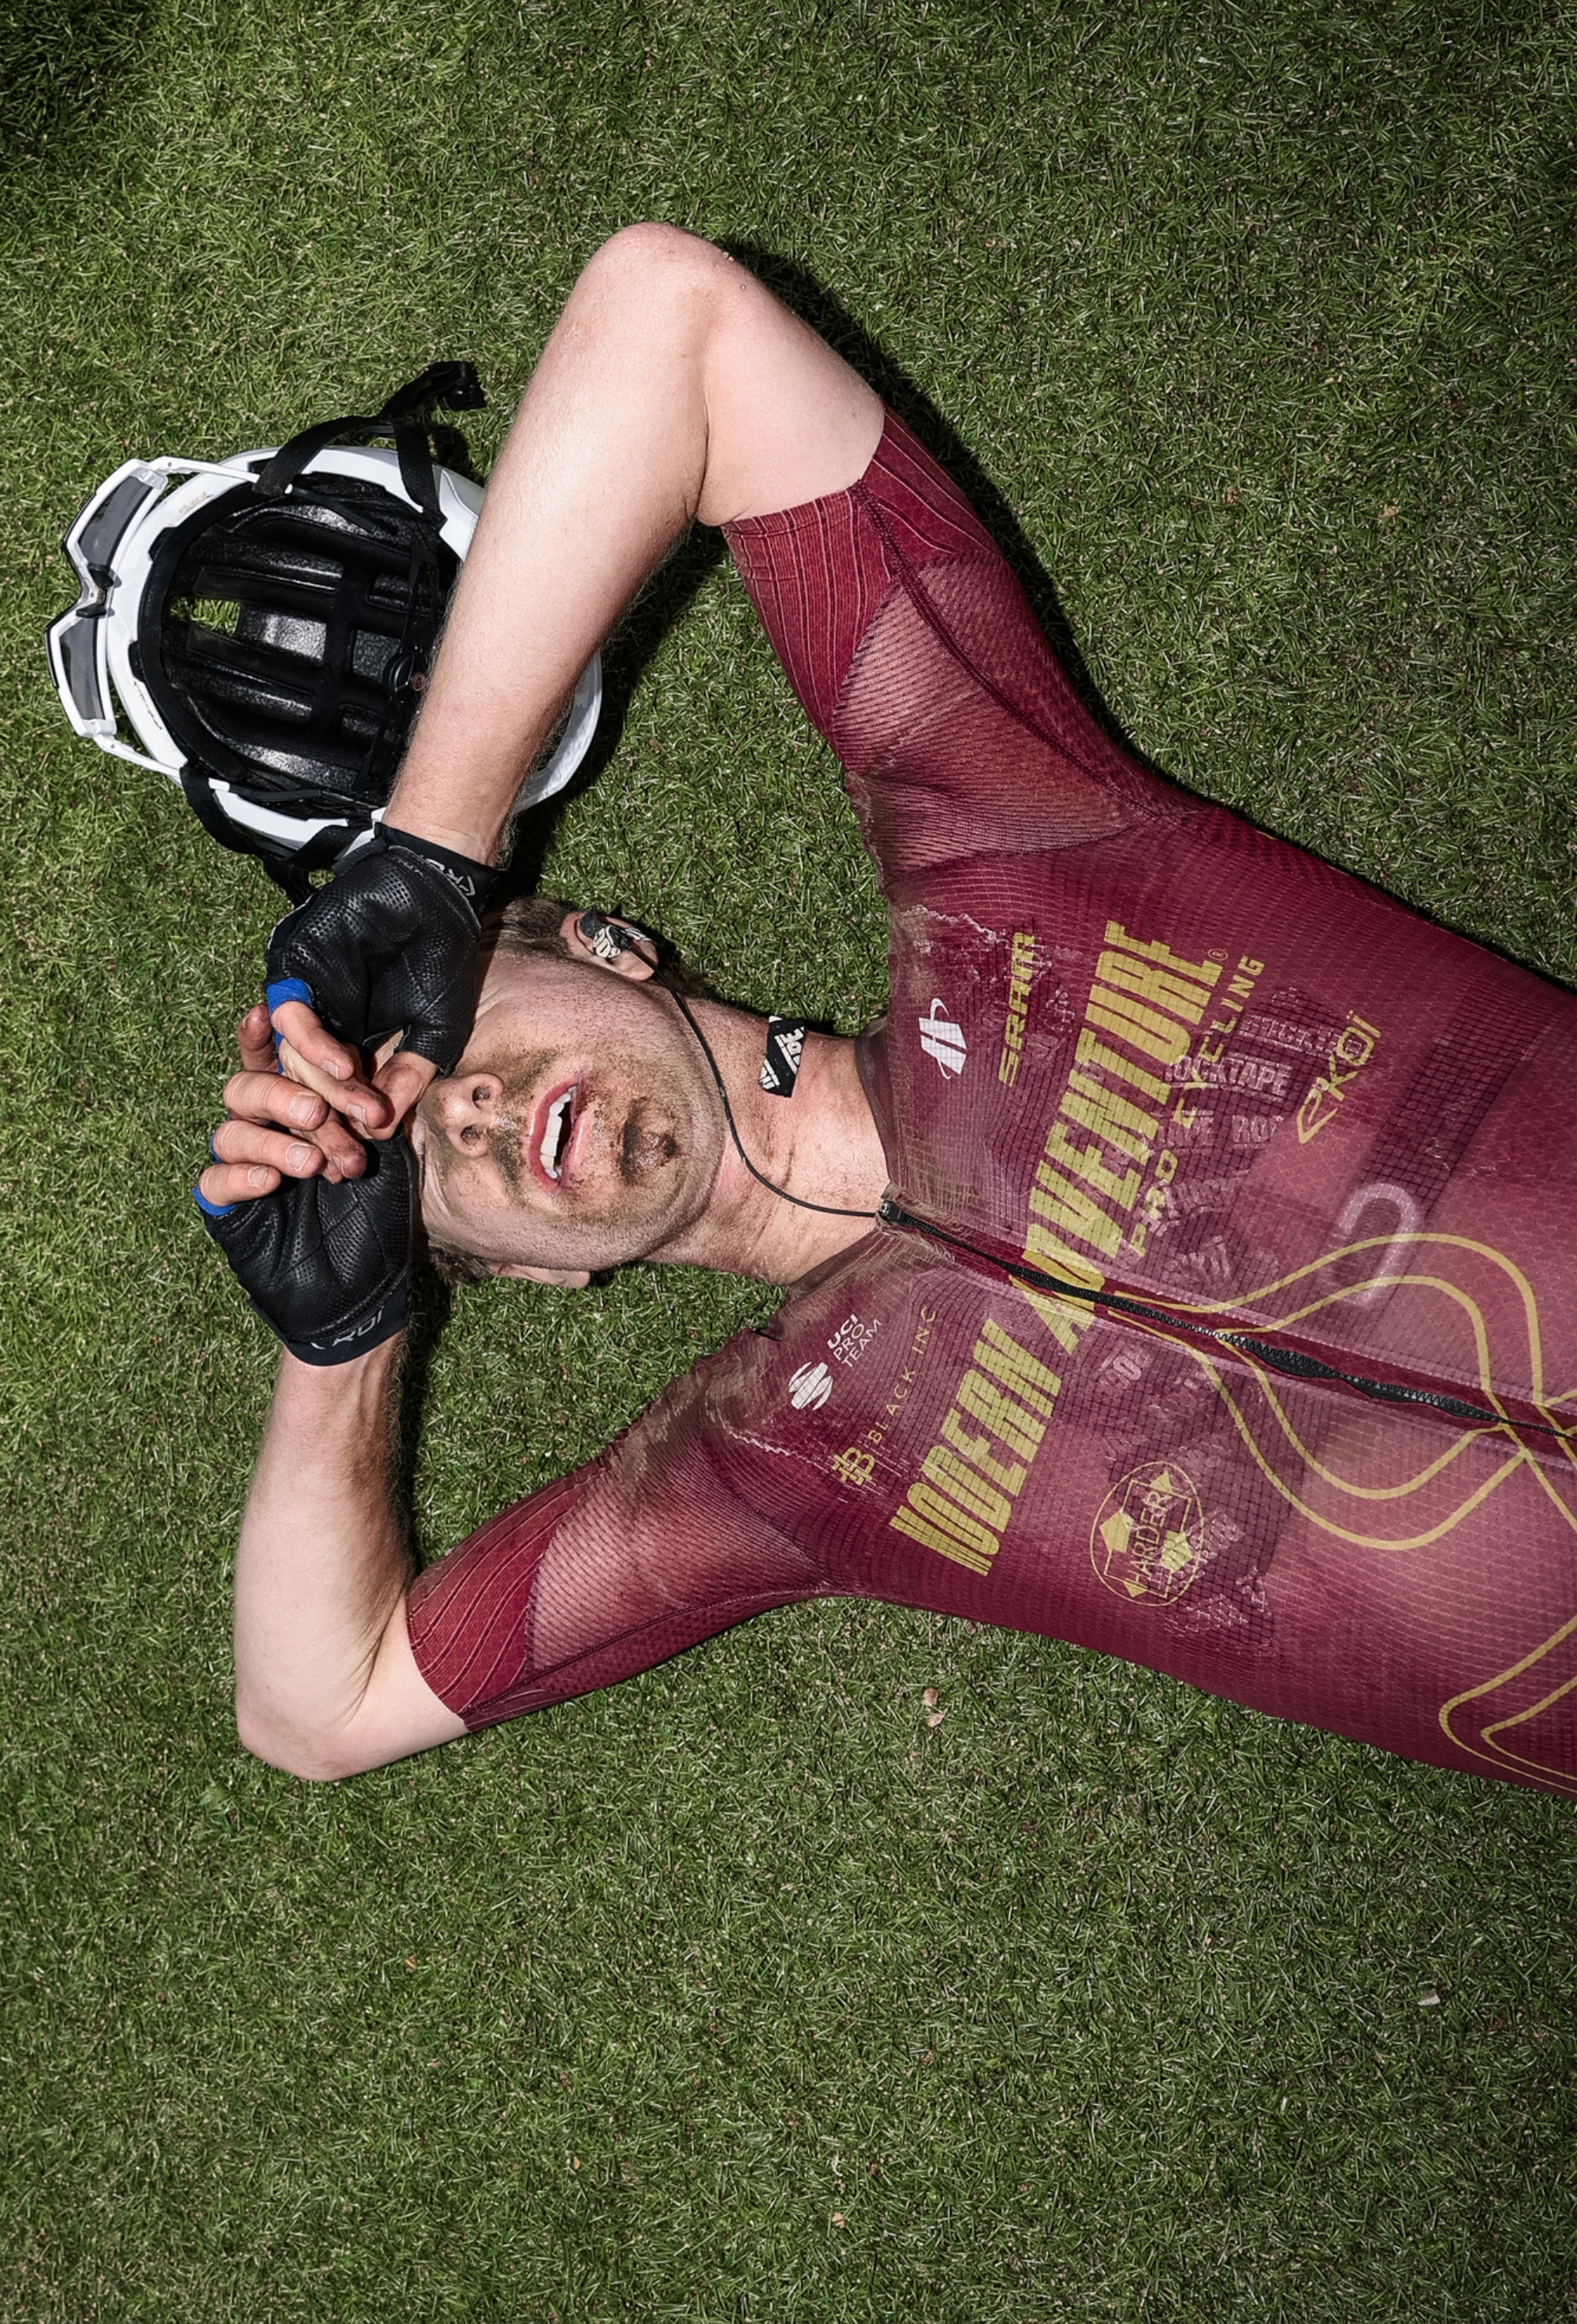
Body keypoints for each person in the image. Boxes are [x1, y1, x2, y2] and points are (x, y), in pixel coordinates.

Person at [197, 225, 1577, 1799]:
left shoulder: (1020, 865)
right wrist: (341, 1338)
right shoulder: (784, 1468)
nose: (472, 1109)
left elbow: (671, 322)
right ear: (530, 1274)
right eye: (436, 1168)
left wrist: (431, 854)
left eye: (441, 1046)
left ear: (607, 941)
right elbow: (314, 1706)